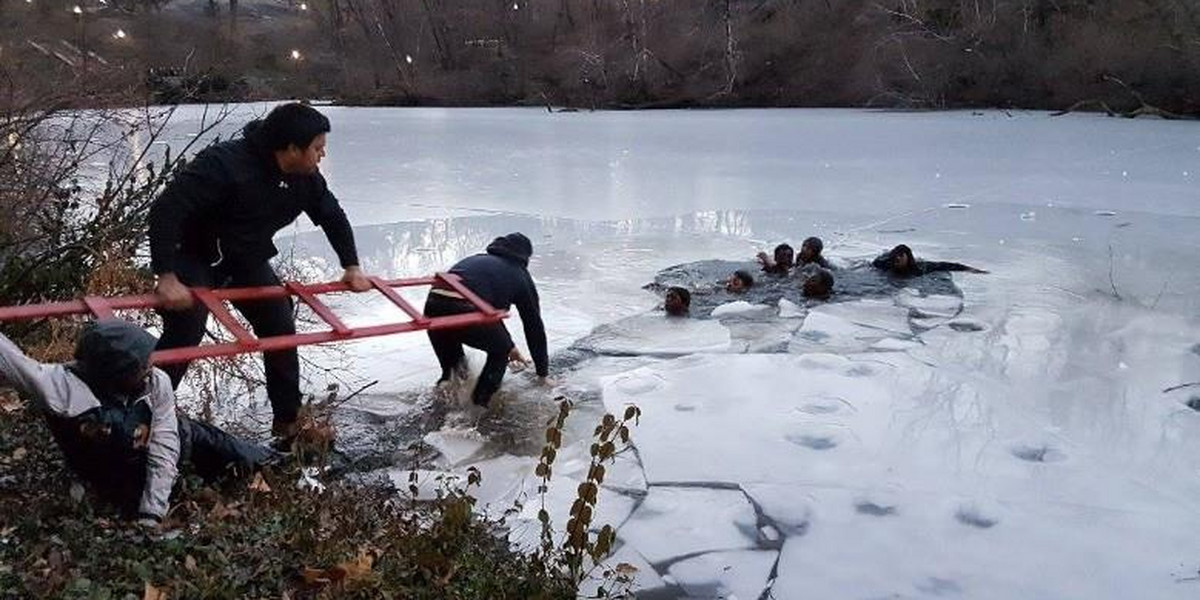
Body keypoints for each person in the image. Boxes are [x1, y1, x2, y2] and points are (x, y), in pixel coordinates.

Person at [147, 103, 372, 441]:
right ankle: (142, 416)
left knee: (279, 323)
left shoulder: (305, 179)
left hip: (244, 257)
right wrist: (166, 276)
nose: (322, 155)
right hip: (192, 253)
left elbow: (332, 215)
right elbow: (166, 210)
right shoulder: (223, 163)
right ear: (292, 148)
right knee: (187, 328)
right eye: (317, 147)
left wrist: (351, 266)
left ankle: (288, 422)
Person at [0, 320, 273, 525]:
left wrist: (152, 512)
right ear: (114, 373)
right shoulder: (62, 388)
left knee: (236, 453)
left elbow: (165, 445)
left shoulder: (156, 381)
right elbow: (12, 361)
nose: (149, 368)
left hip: (181, 442)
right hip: (114, 468)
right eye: (140, 366)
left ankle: (277, 457)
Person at [423, 233, 550, 408]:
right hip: (465, 309)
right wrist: (542, 373)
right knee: (499, 353)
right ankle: (479, 407)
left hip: (434, 309)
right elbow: (533, 325)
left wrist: (509, 345)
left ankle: (442, 405)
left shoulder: (476, 261)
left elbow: (488, 313)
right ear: (524, 257)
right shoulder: (520, 275)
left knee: (455, 372)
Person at [871, 244, 987, 277]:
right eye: (895, 257)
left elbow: (944, 265)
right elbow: (875, 263)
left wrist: (968, 269)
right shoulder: (885, 264)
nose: (898, 259)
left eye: (901, 256)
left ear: (907, 257)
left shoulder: (920, 268)